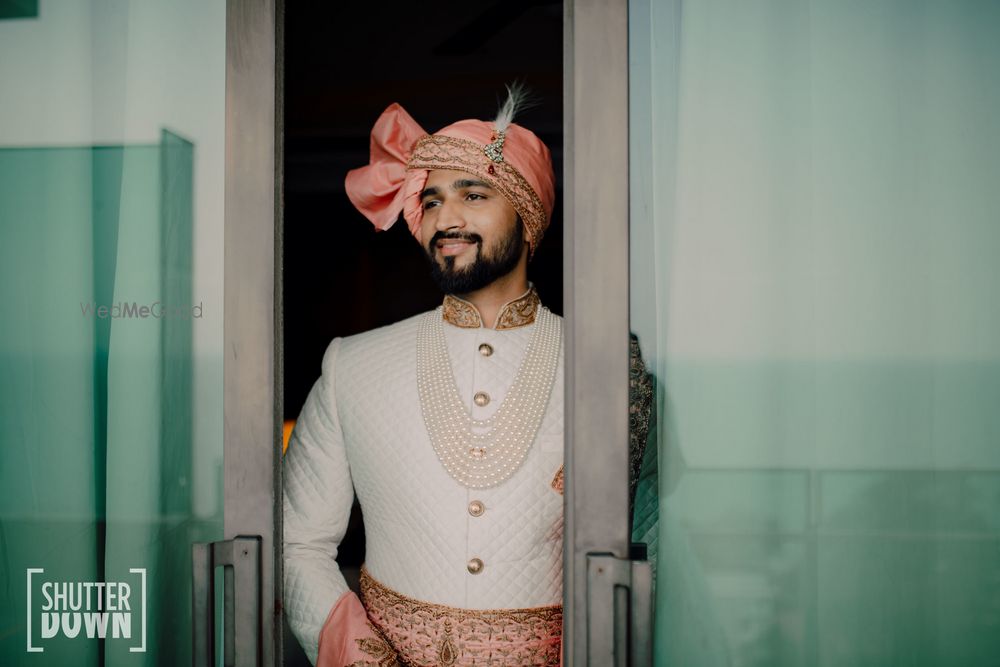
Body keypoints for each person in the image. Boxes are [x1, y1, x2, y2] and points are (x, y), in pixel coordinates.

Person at [283, 86, 653, 667]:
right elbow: (297, 543)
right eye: (430, 201)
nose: (445, 219)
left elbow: (652, 537)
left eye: (472, 195)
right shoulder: (351, 364)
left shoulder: (606, 364)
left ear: (529, 217)